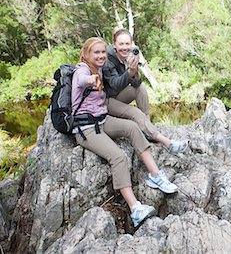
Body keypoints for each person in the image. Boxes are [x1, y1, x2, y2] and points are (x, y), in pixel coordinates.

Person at [72, 37, 178, 227]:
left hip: (102, 120)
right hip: (85, 128)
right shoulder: (82, 69)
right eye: (96, 52)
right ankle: (135, 208)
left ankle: (155, 175)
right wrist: (91, 79)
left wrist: (132, 67)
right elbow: (81, 80)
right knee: (118, 156)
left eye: (103, 52)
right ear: (86, 54)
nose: (101, 55)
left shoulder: (102, 68)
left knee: (132, 127)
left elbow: (125, 81)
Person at [102, 27, 189, 154]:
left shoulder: (127, 56)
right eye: (121, 44)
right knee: (135, 113)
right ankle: (168, 143)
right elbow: (115, 84)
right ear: (114, 44)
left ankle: (148, 127)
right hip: (106, 101)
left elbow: (136, 84)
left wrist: (135, 73)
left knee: (140, 88)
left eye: (127, 44)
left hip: (117, 95)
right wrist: (129, 72)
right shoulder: (108, 59)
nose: (125, 47)